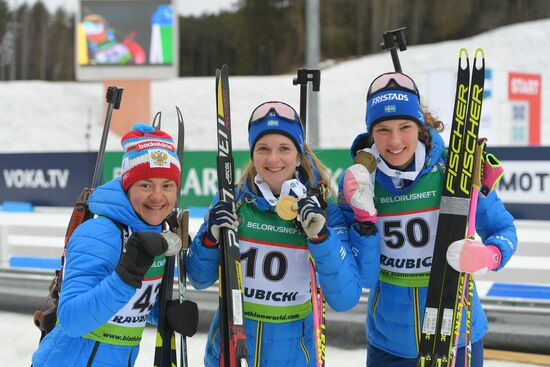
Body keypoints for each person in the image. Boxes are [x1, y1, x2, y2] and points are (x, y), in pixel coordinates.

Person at [339, 72, 517, 367]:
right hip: (389, 344)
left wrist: (490, 255)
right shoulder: (361, 181)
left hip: (456, 335)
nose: (394, 141)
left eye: (404, 127)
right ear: (372, 133)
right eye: (383, 130)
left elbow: (503, 228)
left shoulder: (453, 170)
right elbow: (356, 270)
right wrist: (362, 221)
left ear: (419, 126)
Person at [186, 101, 362, 367]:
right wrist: (210, 238)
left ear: (298, 153)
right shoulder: (232, 201)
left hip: (294, 357)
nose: (272, 159)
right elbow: (199, 279)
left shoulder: (323, 210)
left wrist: (321, 238)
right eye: (263, 148)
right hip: (230, 353)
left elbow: (345, 298)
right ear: (253, 152)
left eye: (284, 148)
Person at [32, 123, 196, 367]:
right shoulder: (99, 233)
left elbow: (126, 307)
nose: (157, 196)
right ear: (128, 185)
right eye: (146, 185)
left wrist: (163, 312)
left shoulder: (158, 233)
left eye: (167, 185)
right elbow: (71, 320)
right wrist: (125, 276)